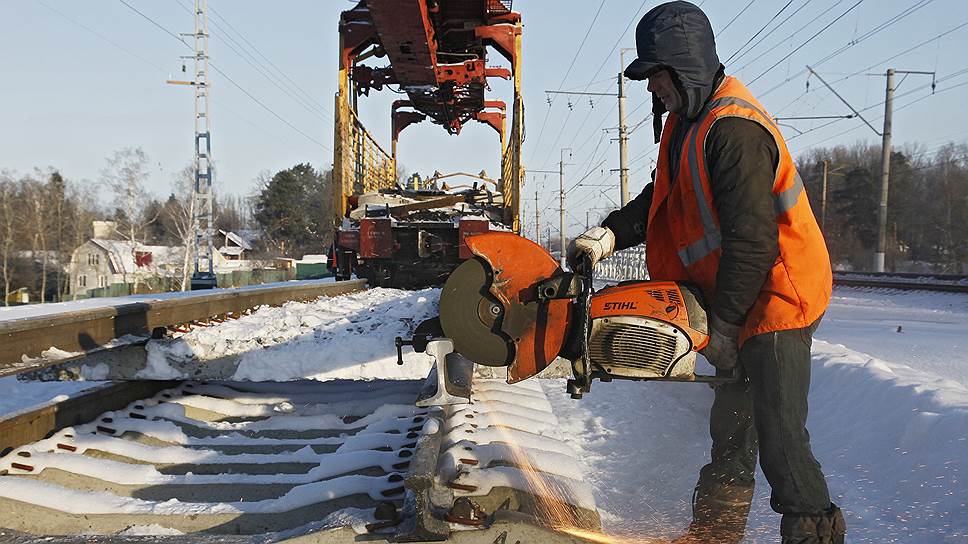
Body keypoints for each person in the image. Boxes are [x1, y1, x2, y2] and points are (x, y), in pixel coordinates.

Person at [567, 2, 846, 543]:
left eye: (657, 76)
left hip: (778, 294)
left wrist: (721, 330)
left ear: (686, 66)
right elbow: (661, 200)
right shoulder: (686, 124)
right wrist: (608, 233)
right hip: (740, 292)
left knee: (779, 433)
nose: (652, 89)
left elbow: (753, 243)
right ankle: (714, 534)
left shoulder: (734, 130)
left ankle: (812, 531)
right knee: (732, 428)